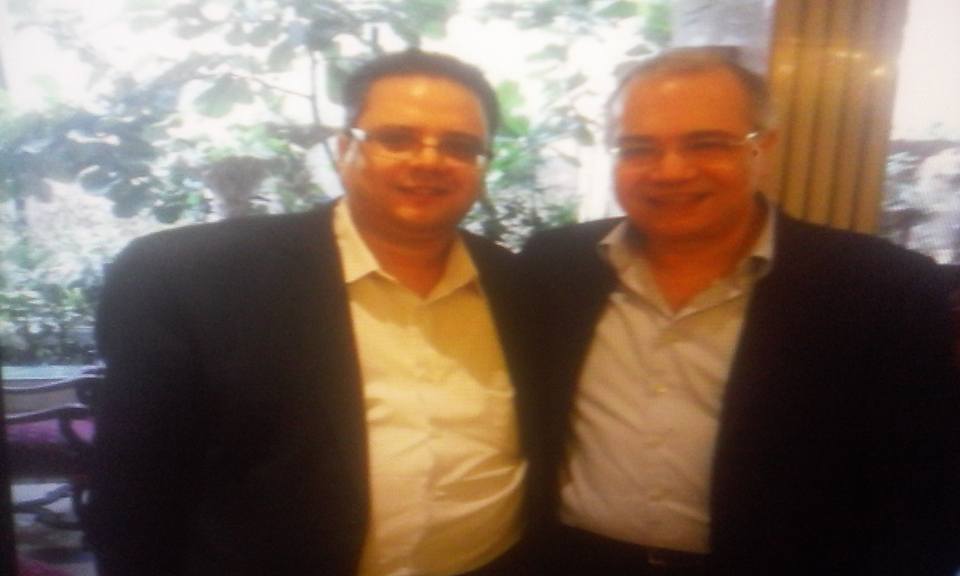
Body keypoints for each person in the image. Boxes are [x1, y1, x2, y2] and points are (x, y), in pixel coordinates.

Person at [89, 49, 536, 576]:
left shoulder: (516, 283)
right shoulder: (193, 278)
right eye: (396, 138)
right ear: (345, 149)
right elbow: (133, 493)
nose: (429, 161)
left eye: (460, 146)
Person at [521, 47, 960, 575]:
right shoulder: (557, 265)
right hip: (574, 562)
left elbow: (925, 486)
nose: (670, 170)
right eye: (638, 148)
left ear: (762, 147)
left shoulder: (884, 288)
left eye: (705, 143)